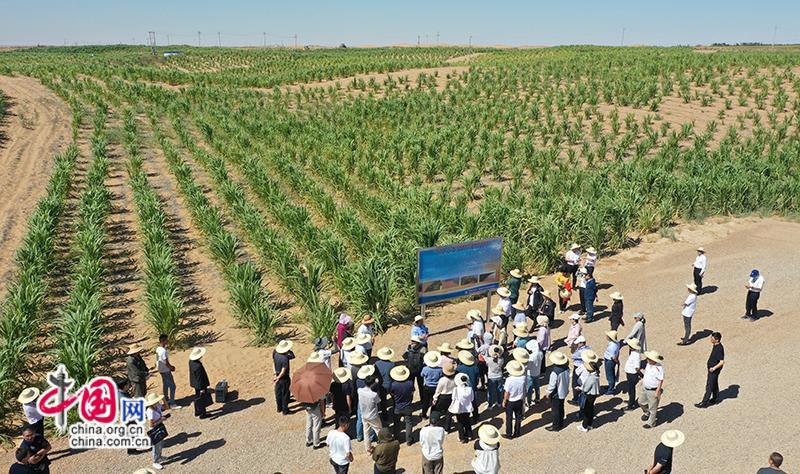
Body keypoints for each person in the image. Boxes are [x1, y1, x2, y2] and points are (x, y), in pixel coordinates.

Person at [696, 332, 725, 408]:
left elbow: (722, 362)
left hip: (713, 370)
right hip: (712, 369)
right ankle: (715, 398)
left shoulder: (719, 348)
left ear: (717, 340)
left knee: (709, 385)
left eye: (712, 338)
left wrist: (714, 368)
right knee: (714, 383)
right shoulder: (716, 345)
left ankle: (704, 402)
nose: (710, 339)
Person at [388, 366, 415, 445]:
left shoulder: (394, 385)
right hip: (407, 406)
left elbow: (391, 393)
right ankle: (409, 440)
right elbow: (412, 393)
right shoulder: (410, 383)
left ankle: (397, 438)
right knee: (409, 423)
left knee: (397, 423)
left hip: (397, 407)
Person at [639, 351, 665, 429]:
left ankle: (651, 423)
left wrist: (657, 391)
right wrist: (642, 381)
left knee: (653, 408)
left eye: (649, 359)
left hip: (653, 390)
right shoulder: (648, 364)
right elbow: (647, 374)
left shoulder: (659, 368)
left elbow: (660, 380)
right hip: (645, 388)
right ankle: (647, 413)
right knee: (641, 402)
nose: (647, 359)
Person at [544, 351, 570, 431]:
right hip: (564, 390)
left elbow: (552, 385)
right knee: (561, 408)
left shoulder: (554, 372)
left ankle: (556, 426)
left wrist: (548, 393)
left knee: (555, 410)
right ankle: (561, 423)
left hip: (557, 393)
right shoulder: (567, 368)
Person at [358, 373, 383, 452]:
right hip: (373, 416)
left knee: (366, 432)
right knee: (379, 430)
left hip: (364, 415)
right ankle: (382, 446)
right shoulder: (373, 395)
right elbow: (378, 401)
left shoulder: (359, 391)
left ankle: (368, 448)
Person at [502, 360, 526, 439]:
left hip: (511, 401)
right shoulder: (523, 378)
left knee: (509, 418)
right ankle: (517, 432)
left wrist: (504, 401)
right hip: (519, 400)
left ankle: (509, 434)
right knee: (518, 417)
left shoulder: (509, 380)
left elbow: (507, 392)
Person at [144, 393, 167, 470]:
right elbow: (151, 425)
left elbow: (166, 407)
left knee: (160, 444)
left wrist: (163, 399)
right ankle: (155, 462)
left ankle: (159, 457)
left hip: (159, 427)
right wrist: (160, 420)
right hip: (155, 429)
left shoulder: (157, 406)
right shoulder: (150, 411)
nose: (157, 402)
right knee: (156, 446)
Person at [449, 373, 475, 443]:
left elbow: (453, 398)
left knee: (460, 423)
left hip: (459, 408)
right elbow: (472, 399)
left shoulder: (456, 389)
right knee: (467, 421)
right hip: (468, 408)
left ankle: (462, 437)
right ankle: (469, 435)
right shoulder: (470, 389)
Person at [578, 357, 601, 432]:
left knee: (586, 411)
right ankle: (589, 424)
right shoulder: (596, 375)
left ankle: (584, 426)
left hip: (589, 394)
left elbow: (586, 389)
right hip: (593, 394)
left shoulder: (591, 378)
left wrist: (580, 388)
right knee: (591, 409)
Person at [155, 334, 178, 409]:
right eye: (166, 340)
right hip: (166, 370)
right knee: (172, 386)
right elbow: (166, 362)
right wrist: (171, 368)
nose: (167, 341)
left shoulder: (158, 349)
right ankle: (172, 403)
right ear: (163, 341)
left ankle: (166, 399)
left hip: (161, 370)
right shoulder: (163, 351)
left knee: (165, 385)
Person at [456, 351, 480, 422]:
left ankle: (465, 418)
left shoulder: (459, 368)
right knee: (474, 403)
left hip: (462, 388)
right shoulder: (475, 367)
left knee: (463, 403)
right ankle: (476, 417)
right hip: (472, 388)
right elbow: (477, 379)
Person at [431, 364, 456, 431]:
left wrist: (435, 398)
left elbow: (438, 391)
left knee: (436, 410)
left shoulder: (442, 380)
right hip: (451, 396)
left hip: (442, 396)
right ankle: (447, 429)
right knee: (449, 413)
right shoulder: (455, 379)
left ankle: (434, 423)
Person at [273, 340, 295, 415]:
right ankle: (285, 410)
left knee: (278, 392)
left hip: (277, 374)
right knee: (285, 393)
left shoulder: (275, 352)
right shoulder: (285, 358)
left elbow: (274, 364)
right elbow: (283, 370)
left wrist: (275, 375)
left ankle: (279, 408)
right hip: (284, 377)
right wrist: (279, 377)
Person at [188, 346, 211, 419]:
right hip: (200, 384)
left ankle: (197, 411)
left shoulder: (191, 362)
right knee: (202, 398)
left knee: (197, 397)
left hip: (195, 383)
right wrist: (202, 388)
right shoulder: (198, 366)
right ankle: (202, 413)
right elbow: (200, 378)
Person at [374, 347, 395, 419]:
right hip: (390, 384)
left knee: (383, 400)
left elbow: (375, 375)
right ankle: (395, 413)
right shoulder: (392, 364)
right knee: (394, 398)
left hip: (381, 385)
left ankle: (385, 416)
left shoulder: (376, 364)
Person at [420, 351, 443, 419]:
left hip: (427, 387)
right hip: (436, 387)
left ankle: (424, 415)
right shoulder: (440, 370)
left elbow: (422, 375)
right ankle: (432, 416)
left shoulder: (425, 369)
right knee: (434, 401)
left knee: (425, 402)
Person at [623, 338, 642, 411]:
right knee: (630, 389)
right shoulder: (634, 353)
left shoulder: (636, 355)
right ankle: (631, 401)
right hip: (630, 373)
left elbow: (637, 368)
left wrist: (641, 375)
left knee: (631, 390)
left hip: (632, 374)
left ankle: (631, 405)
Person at [569, 335, 589, 405]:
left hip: (578, 367)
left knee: (575, 383)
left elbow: (573, 356)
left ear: (581, 343)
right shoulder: (588, 348)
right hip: (585, 367)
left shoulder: (580, 351)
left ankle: (576, 399)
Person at [525, 339, 544, 405]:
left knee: (529, 389)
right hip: (537, 373)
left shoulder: (531, 357)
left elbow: (528, 367)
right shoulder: (540, 353)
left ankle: (529, 402)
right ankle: (537, 399)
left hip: (530, 374)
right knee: (537, 387)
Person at [485, 345, 504, 409]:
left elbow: (485, 356)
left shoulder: (489, 360)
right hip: (499, 375)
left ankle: (490, 405)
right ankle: (499, 402)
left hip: (491, 377)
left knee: (490, 391)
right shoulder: (501, 359)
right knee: (500, 390)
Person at [603, 330, 621, 395]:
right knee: (611, 374)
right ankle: (610, 386)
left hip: (610, 361)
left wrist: (617, 361)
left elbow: (613, 357)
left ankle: (611, 389)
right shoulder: (616, 343)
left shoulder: (612, 346)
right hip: (611, 360)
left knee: (609, 375)